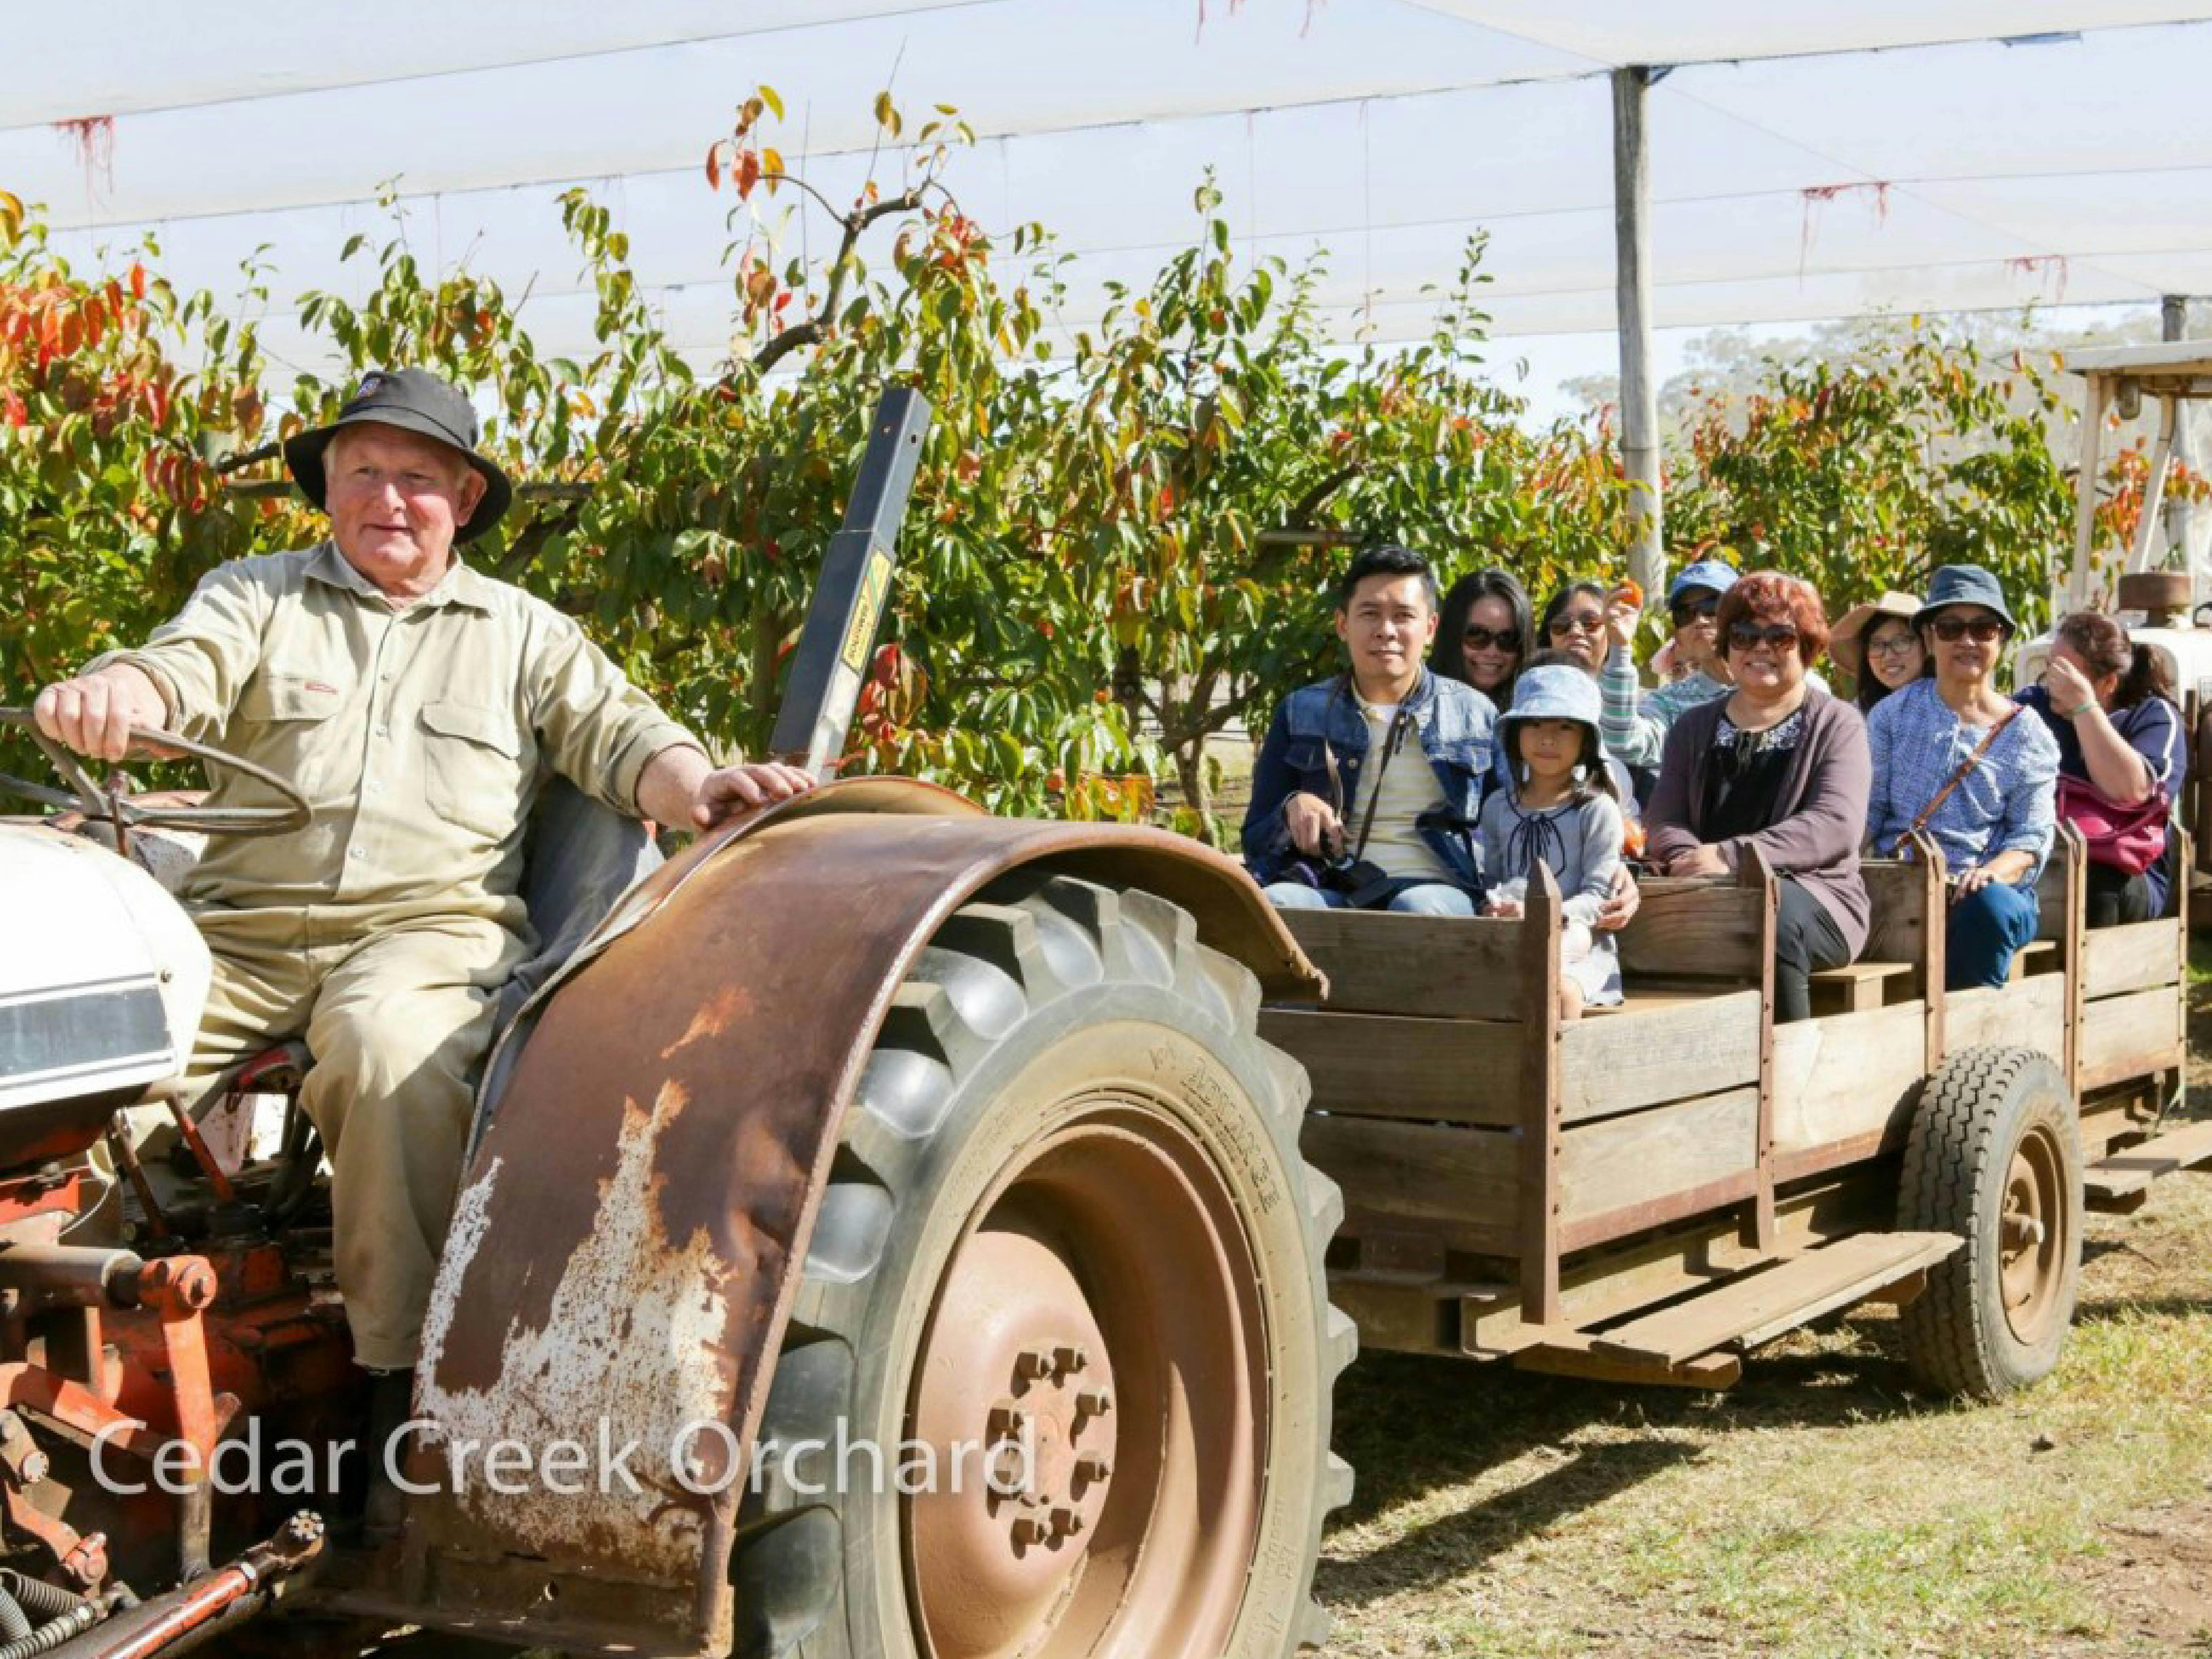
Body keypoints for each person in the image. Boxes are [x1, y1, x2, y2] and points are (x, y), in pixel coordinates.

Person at [30, 369, 813, 1438]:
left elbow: (623, 735)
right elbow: (178, 672)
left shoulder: (523, 634)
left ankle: (400, 1390)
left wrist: (700, 788)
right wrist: (121, 694)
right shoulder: (255, 596)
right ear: (330, 489)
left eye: (415, 479)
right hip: (239, 934)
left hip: (425, 936)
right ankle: (55, 1325)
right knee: (69, 1054)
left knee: (387, 1051)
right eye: (363, 473)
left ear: (465, 502)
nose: (386, 500)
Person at [1645, 573, 1871, 1023]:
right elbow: (1664, 816)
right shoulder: (1692, 727)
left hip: (1815, 896)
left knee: (1771, 918)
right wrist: (1689, 859)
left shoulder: (1837, 724)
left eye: (1780, 636)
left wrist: (1729, 857)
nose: (1760, 649)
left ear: (1804, 646)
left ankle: (1789, 1071)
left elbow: (1833, 825)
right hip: (1702, 888)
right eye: (1745, 636)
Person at [1244, 545, 1492, 916]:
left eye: (1403, 616)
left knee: (1416, 909)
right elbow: (1254, 837)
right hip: (1331, 884)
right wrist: (1291, 808)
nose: (1386, 631)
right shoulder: (1301, 712)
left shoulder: (1474, 714)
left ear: (1429, 628)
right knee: (1279, 904)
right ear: (1343, 625)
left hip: (1437, 890)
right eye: (1370, 614)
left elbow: (1508, 823)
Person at [1864, 564, 2059, 989]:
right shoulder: (1892, 715)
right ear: (1930, 639)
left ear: (2001, 640)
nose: (1966, 640)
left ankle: (1968, 1045)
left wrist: (1992, 873)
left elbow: (2030, 839)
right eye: (1951, 628)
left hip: (1983, 894)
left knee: (1988, 907)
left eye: (1983, 628)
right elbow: (1868, 811)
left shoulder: (2029, 733)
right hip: (1899, 883)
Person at [2018, 610, 2188, 927]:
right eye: (2050, 666)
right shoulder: (2033, 706)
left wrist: (2084, 708)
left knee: (2093, 880)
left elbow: (2132, 794)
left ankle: (2091, 975)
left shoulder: (2153, 717)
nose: (2051, 680)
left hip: (2125, 871)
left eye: (2065, 673)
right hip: (2038, 854)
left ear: (2108, 683)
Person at [1476, 664, 1626, 1020]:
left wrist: (1544, 915)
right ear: (1515, 734)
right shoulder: (1499, 805)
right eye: (1534, 725)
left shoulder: (1596, 810)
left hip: (1578, 944)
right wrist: (1495, 905)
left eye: (1564, 727)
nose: (1547, 739)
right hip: (1512, 936)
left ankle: (1556, 1074)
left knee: (1557, 991)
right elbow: (1492, 876)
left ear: (1586, 741)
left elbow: (1599, 899)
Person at [1599, 557, 1741, 772]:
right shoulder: (1670, 702)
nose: (1699, 621)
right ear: (1677, 636)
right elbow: (1623, 743)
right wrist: (1620, 647)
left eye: (1712, 607)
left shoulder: (1784, 687)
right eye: (1685, 614)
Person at [1432, 567, 1531, 706]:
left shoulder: (1541, 715)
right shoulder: (1413, 706)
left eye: (1508, 639)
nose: (1492, 652)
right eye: (1476, 635)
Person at [1831, 590, 1927, 715]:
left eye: (1901, 642)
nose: (1888, 656)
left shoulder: (1950, 708)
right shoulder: (1858, 713)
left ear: (1927, 646)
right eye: (1877, 645)